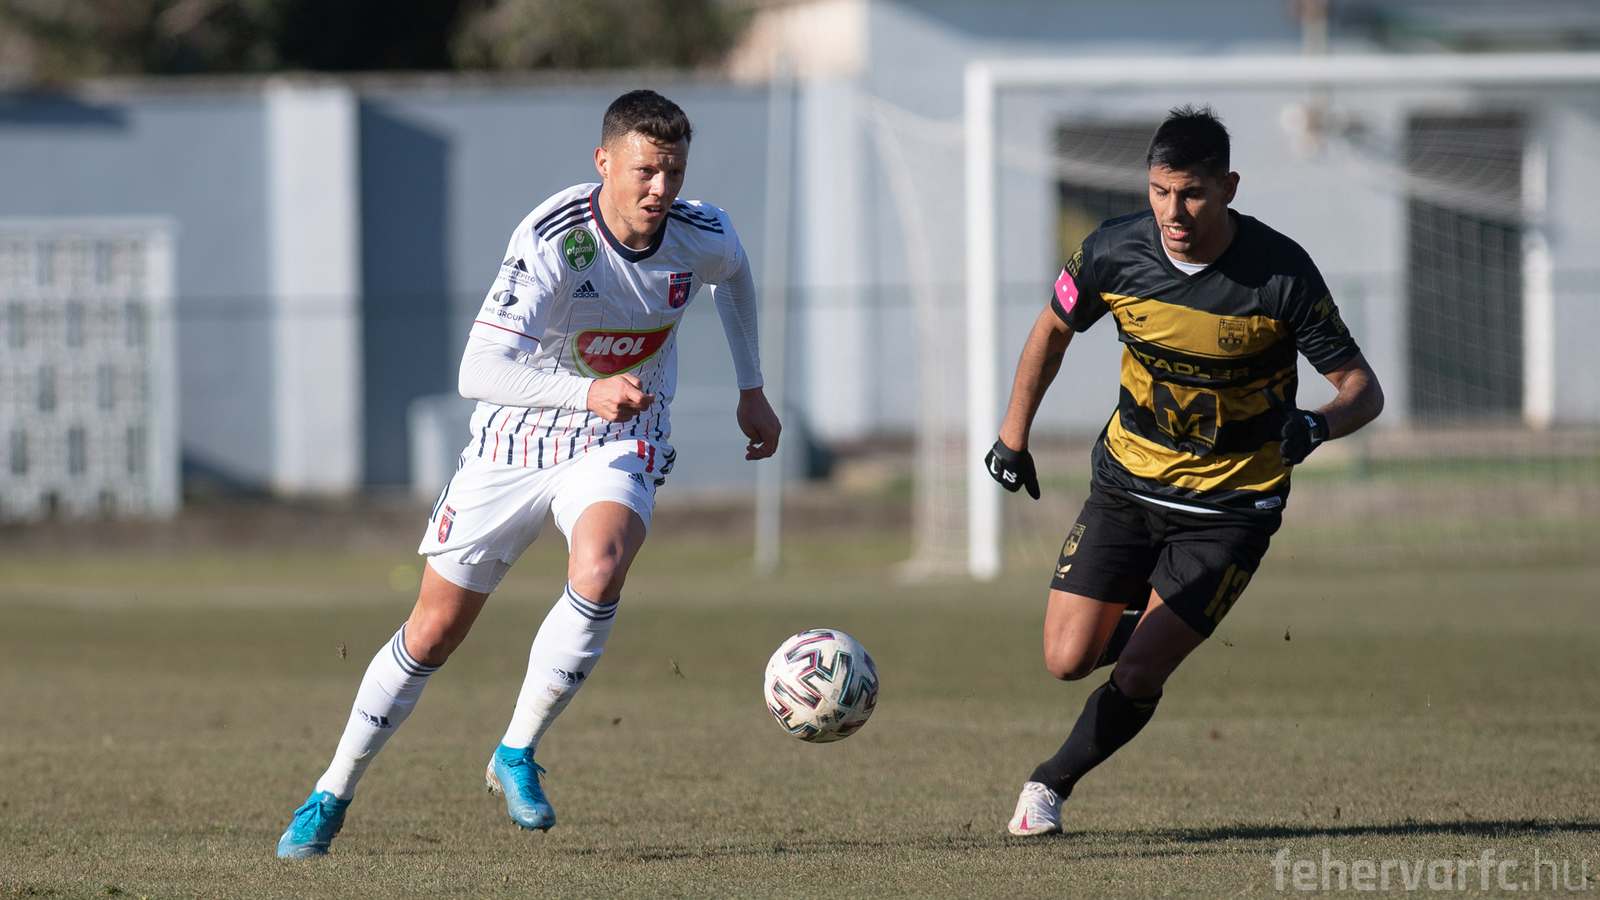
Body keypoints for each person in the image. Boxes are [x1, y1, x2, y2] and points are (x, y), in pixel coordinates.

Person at [277, 90, 780, 857]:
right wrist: (585, 391)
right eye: (645, 171)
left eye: (674, 172)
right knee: (433, 631)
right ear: (603, 162)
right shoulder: (554, 239)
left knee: (601, 566)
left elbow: (734, 275)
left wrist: (751, 387)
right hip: (514, 441)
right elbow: (476, 370)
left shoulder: (700, 232)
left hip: (621, 436)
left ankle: (516, 750)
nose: (661, 189)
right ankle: (331, 790)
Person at [985, 105, 1383, 836]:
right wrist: (1012, 439)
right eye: (1161, 191)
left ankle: (1048, 787)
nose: (1173, 211)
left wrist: (1317, 424)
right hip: (1127, 486)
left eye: (1192, 193)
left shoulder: (1281, 273)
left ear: (1228, 187)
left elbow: (1362, 388)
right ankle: (1148, 616)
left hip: (1231, 509)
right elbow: (1051, 330)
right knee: (1065, 660)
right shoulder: (1112, 252)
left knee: (1140, 671)